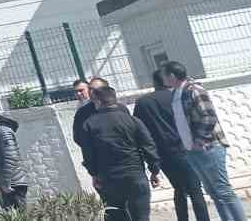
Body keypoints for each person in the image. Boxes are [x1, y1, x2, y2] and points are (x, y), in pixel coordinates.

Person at [163, 61, 247, 221]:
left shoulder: (194, 90)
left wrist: (199, 140)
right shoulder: (176, 93)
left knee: (223, 191)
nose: (163, 79)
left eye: (164, 75)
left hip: (209, 147)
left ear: (172, 76)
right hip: (191, 150)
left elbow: (209, 116)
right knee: (213, 192)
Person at [132, 69, 210, 221]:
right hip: (185, 149)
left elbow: (139, 130)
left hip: (163, 154)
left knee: (179, 188)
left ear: (154, 82)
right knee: (195, 189)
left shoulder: (143, 102)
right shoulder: (177, 97)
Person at [79, 85, 160, 221]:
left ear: (97, 101)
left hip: (109, 179)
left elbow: (88, 154)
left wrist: (94, 174)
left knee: (116, 217)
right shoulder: (132, 120)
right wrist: (154, 170)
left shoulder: (89, 124)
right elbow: (148, 145)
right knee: (141, 217)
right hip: (135, 175)